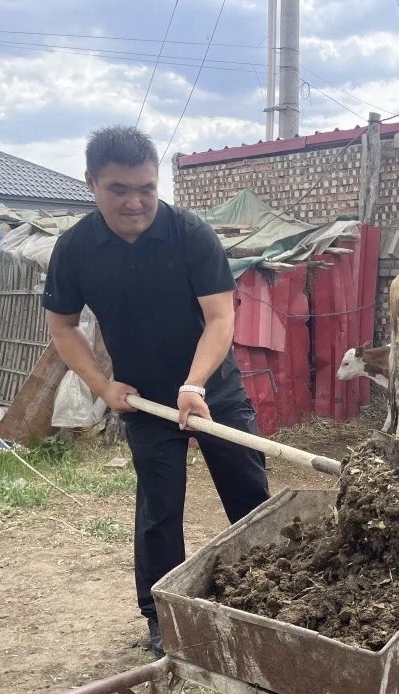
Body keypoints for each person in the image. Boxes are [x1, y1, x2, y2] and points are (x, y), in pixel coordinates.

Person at [43, 125, 269, 659]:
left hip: (213, 390)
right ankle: (162, 617)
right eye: (119, 189)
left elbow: (220, 319)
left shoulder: (191, 234)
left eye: (146, 187)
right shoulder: (75, 248)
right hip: (142, 399)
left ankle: (267, 598)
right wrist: (103, 385)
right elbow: (62, 327)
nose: (135, 202)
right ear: (91, 183)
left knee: (250, 495)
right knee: (160, 510)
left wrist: (193, 385)